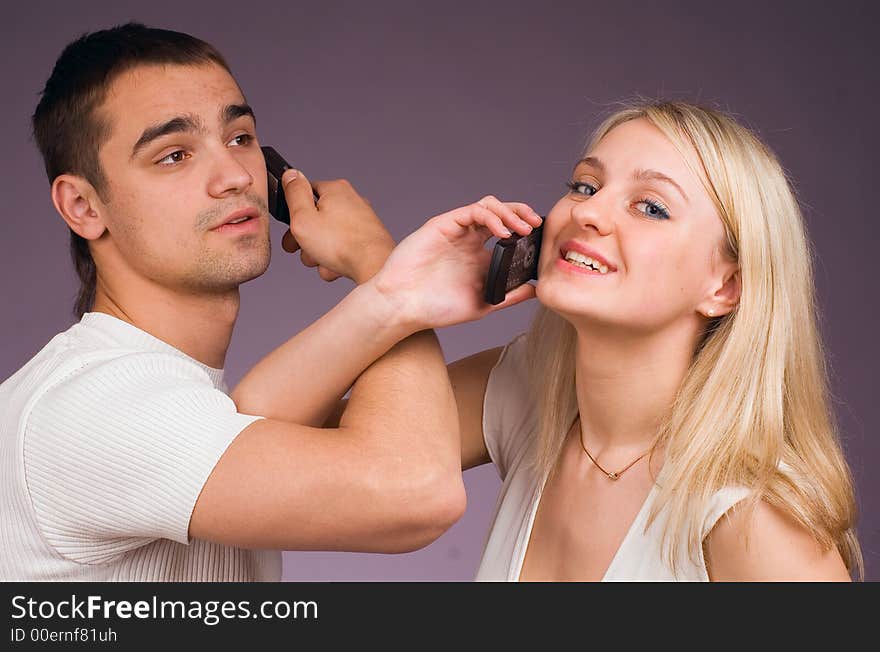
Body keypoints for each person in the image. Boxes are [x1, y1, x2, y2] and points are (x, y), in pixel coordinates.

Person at [0, 23, 541, 581]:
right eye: (174, 155)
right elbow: (416, 491)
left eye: (240, 138)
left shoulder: (177, 398)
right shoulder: (93, 406)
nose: (236, 176)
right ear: (84, 206)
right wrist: (385, 273)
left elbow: (264, 411)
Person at [442, 101, 863, 581]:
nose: (590, 212)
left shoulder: (755, 521)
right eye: (586, 186)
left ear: (725, 287)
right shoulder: (525, 393)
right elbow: (345, 458)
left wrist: (369, 256)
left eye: (651, 207)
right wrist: (392, 300)